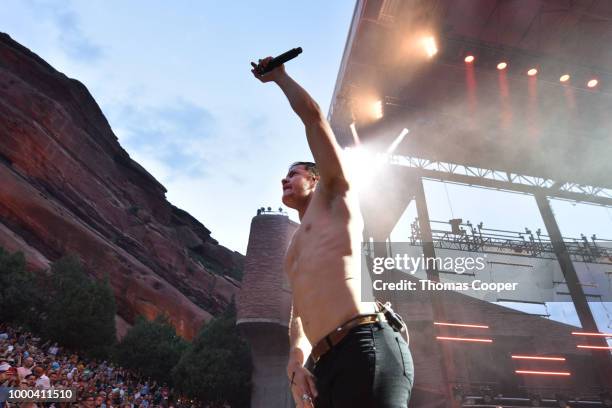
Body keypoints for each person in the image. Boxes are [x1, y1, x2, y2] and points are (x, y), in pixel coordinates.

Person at [251, 57, 414, 407]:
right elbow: (299, 311)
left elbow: (314, 119)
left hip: (366, 342)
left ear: (316, 178)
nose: (284, 178)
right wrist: (295, 360)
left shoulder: (338, 195)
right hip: (325, 364)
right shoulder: (294, 248)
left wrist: (281, 79)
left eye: (293, 173)